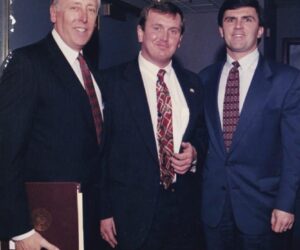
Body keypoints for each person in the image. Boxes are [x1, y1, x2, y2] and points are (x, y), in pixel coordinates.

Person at [99, 2, 207, 250]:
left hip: (184, 213)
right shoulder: (110, 83)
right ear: (140, 33)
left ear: (180, 39)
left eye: (173, 30)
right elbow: (100, 154)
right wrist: (104, 210)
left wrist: (195, 153)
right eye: (157, 28)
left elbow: (201, 133)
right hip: (131, 214)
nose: (164, 37)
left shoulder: (193, 84)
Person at [0, 0, 105, 249]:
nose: (84, 17)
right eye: (75, 7)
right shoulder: (27, 63)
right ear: (53, 13)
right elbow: (5, 152)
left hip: (86, 223)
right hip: (44, 227)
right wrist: (20, 230)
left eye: (91, 9)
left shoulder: (91, 71)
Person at [198, 0, 300, 249]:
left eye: (248, 19)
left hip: (263, 209)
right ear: (220, 30)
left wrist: (285, 204)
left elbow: (293, 151)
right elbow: (202, 137)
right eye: (230, 19)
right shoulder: (204, 78)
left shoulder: (287, 81)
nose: (238, 26)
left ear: (261, 30)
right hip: (214, 208)